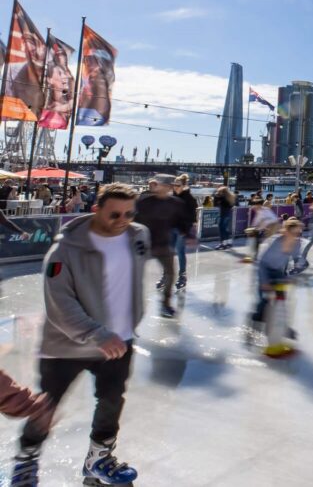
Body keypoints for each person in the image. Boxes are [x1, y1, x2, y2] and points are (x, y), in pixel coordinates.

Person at [11, 183, 149, 486]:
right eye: (114, 214)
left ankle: (97, 460)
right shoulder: (65, 249)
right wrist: (96, 333)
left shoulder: (139, 236)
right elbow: (59, 303)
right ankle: (26, 461)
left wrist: (126, 325)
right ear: (95, 209)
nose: (122, 220)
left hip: (119, 341)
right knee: (46, 407)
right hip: (66, 346)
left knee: (112, 402)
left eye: (129, 213)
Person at [134, 174, 191, 318]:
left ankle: (165, 303)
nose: (166, 188)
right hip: (143, 243)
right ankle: (131, 302)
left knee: (170, 273)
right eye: (163, 185)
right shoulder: (144, 201)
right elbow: (133, 220)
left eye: (169, 186)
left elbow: (181, 221)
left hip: (163, 243)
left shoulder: (175, 203)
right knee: (135, 274)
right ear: (157, 185)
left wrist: (187, 233)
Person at [252, 218, 305, 330]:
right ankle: (254, 324)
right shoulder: (276, 242)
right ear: (287, 231)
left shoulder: (296, 244)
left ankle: (283, 326)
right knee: (264, 302)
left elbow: (297, 261)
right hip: (265, 270)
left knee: (281, 298)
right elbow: (262, 263)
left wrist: (293, 275)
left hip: (278, 272)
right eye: (294, 233)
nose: (296, 235)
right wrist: (264, 282)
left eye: (298, 233)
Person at [171, 175, 199, 292]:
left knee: (180, 252)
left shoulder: (189, 199)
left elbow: (193, 217)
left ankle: (182, 275)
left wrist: (186, 230)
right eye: (174, 185)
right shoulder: (171, 197)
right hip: (171, 228)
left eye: (178, 185)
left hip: (181, 229)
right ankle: (166, 275)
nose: (175, 187)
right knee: (168, 252)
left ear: (184, 186)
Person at [213, 185, 236, 250]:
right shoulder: (229, 198)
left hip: (223, 215)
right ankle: (228, 243)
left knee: (221, 230)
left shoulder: (222, 198)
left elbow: (215, 204)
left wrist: (216, 196)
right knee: (225, 230)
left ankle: (222, 244)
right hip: (227, 215)